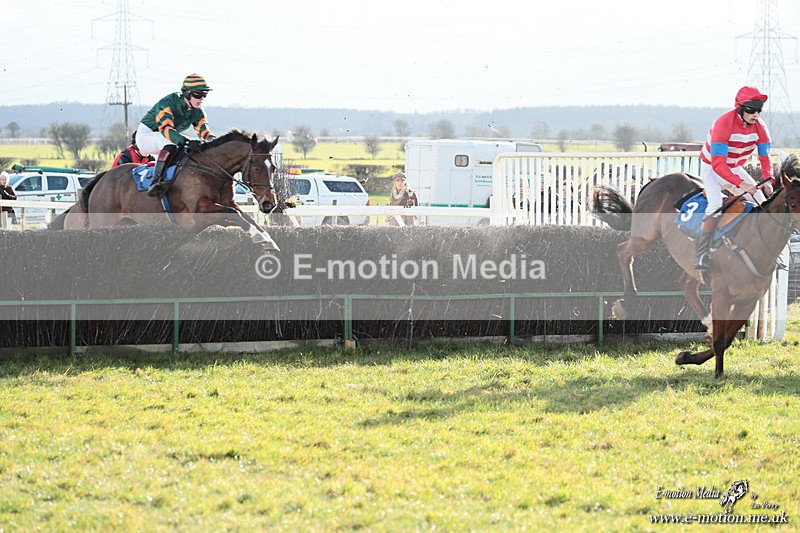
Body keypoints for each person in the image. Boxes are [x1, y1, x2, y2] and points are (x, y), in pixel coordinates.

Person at [694, 86, 774, 273]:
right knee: (715, 204)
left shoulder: (760, 127)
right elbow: (718, 164)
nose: (756, 115)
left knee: (761, 202)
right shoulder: (724, 122)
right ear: (740, 108)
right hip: (712, 168)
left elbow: (765, 158)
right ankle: (701, 253)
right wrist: (743, 184)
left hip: (734, 167)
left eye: (759, 110)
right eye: (751, 110)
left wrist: (768, 180)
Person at [135, 73, 216, 196]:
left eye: (204, 95)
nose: (201, 99)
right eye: (198, 95)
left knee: (191, 147)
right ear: (187, 93)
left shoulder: (198, 111)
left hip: (165, 137)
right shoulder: (168, 103)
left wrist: (214, 141)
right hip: (147, 135)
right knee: (173, 143)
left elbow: (204, 132)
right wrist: (186, 141)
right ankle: (156, 181)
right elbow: (166, 129)